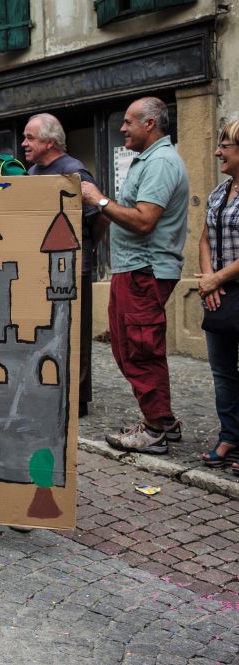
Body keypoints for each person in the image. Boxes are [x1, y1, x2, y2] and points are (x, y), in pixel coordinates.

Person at [80, 97, 189, 453]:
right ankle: (162, 420)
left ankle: (155, 430)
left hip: (145, 269)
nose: (122, 128)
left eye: (128, 122)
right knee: (130, 347)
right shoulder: (150, 159)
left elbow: (143, 220)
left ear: (150, 124)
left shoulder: (160, 162)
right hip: (134, 269)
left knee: (140, 349)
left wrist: (98, 200)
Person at [22, 113, 100, 417]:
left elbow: (98, 219)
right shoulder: (31, 172)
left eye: (30, 137)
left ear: (50, 142)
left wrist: (87, 251)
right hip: (39, 268)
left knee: (73, 333)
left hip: (71, 268)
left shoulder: (74, 172)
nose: (24, 143)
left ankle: (76, 399)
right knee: (45, 330)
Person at [196, 120, 239, 475]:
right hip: (221, 290)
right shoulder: (219, 193)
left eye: (225, 145)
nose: (218, 151)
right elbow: (205, 239)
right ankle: (230, 437)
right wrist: (210, 279)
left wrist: (216, 279)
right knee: (222, 372)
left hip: (226, 284)